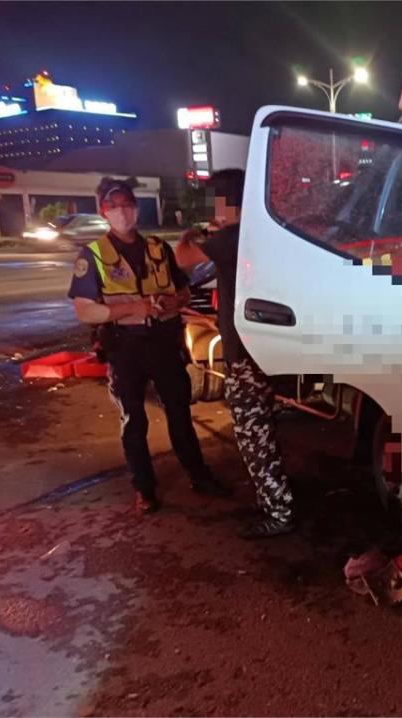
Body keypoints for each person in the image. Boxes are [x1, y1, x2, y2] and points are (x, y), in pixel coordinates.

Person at [69, 178, 231, 514]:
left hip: (163, 343)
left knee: (179, 412)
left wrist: (174, 302)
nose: (122, 211)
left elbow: (184, 289)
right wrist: (131, 308)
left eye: (127, 204)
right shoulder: (94, 255)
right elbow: (84, 310)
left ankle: (199, 475)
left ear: (136, 207)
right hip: (125, 348)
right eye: (114, 206)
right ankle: (144, 488)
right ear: (104, 211)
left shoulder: (158, 248)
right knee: (134, 420)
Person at [175, 169, 295, 539]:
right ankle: (271, 498)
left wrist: (190, 234)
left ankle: (280, 510)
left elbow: (183, 258)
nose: (213, 210)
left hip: (245, 353)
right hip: (259, 347)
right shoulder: (261, 235)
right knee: (260, 428)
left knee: (252, 433)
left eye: (215, 202)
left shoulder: (231, 238)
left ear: (228, 203)